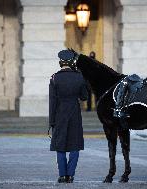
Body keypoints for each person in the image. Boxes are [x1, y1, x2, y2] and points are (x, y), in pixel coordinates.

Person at [49, 49, 88, 183]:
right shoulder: (79, 76)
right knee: (74, 146)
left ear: (60, 62)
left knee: (60, 146)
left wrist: (51, 122)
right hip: (74, 114)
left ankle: (62, 175)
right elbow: (84, 97)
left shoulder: (54, 78)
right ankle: (70, 175)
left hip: (59, 115)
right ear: (72, 62)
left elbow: (52, 102)